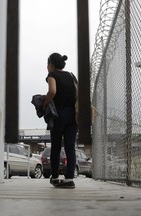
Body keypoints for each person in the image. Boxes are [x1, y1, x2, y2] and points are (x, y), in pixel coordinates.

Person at [42, 53, 78, 189]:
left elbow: (52, 91)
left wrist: (45, 103)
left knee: (56, 147)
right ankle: (69, 179)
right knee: (70, 147)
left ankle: (55, 177)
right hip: (73, 115)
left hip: (59, 114)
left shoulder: (52, 75)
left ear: (51, 65)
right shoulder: (71, 75)